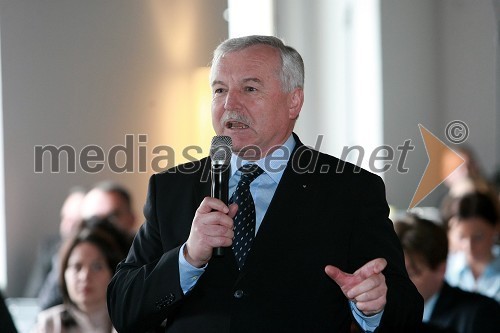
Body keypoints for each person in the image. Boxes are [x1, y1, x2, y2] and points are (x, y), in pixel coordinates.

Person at [107, 35, 423, 332]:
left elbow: (406, 311)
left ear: (294, 102)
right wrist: (188, 257)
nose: (230, 104)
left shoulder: (351, 190)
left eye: (250, 89)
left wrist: (375, 305)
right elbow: (124, 310)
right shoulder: (171, 188)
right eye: (219, 90)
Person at [394, 215, 500, 333]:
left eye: (411, 273)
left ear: (441, 269)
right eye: (393, 274)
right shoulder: (380, 316)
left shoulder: (481, 316)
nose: (397, 283)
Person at [32, 218, 129, 333]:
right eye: (77, 267)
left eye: (97, 267)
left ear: (113, 273)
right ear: (64, 273)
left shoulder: (130, 323)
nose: (85, 276)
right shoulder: (49, 324)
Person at [25, 187, 86, 310]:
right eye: (65, 218)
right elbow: (32, 297)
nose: (66, 226)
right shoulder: (50, 247)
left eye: (74, 221)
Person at [445, 191, 500, 302]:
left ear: (496, 228)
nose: (469, 246)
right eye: (462, 237)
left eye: (478, 237)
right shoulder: (445, 270)